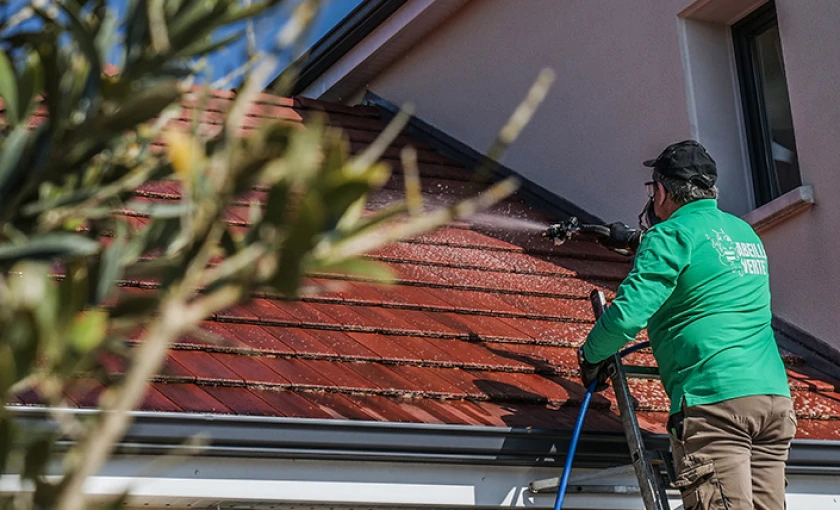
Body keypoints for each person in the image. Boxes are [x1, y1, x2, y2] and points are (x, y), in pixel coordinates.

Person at [578, 140, 796, 510]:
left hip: (716, 404)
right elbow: (705, 256)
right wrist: (636, 242)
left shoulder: (670, 236)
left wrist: (590, 354)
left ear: (661, 191)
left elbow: (627, 316)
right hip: (772, 402)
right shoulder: (744, 233)